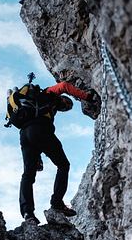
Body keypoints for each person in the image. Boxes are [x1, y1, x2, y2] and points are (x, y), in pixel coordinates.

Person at [14, 79, 98, 224]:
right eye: (66, 104)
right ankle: (57, 203)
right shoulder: (48, 93)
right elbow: (64, 86)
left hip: (24, 134)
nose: (65, 107)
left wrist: (37, 157)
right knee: (63, 165)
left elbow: (35, 136)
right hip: (40, 130)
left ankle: (28, 213)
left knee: (28, 174)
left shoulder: (36, 106)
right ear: (62, 99)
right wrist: (87, 97)